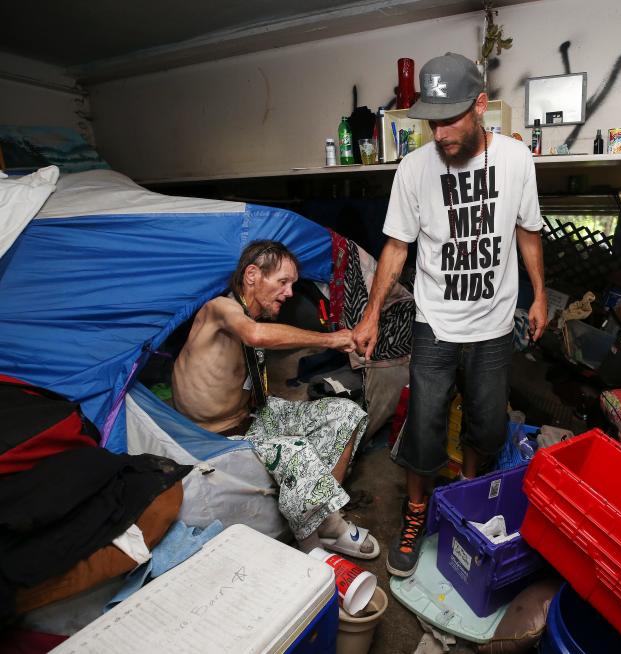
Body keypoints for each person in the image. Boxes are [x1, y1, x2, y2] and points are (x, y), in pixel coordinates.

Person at [353, 52, 547, 577]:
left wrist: (541, 295)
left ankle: (464, 498)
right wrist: (370, 315)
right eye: (432, 121)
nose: (439, 134)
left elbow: (527, 230)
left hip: (494, 324)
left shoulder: (514, 159)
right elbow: (396, 247)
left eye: (451, 119)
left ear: (481, 106)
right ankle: (416, 512)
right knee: (424, 424)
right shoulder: (414, 170)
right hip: (435, 321)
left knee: (485, 426)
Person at [171, 240, 379, 558]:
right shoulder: (220, 309)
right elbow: (254, 335)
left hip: (252, 417)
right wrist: (330, 340)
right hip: (211, 437)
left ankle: (322, 518)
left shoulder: (256, 320)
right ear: (252, 275)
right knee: (296, 451)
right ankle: (311, 548)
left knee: (346, 413)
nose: (290, 292)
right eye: (283, 282)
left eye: (293, 284)